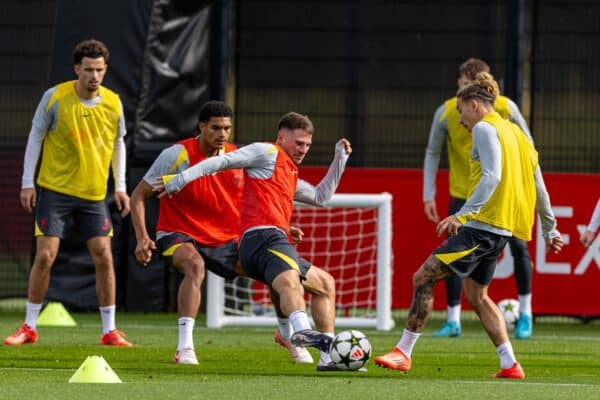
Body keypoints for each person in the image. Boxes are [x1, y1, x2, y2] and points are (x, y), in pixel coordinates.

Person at [375, 72, 563, 379]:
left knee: (423, 277)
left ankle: (403, 352)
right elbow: (538, 184)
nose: (460, 120)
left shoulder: (485, 129)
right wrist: (550, 227)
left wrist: (462, 215)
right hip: (501, 229)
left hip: (482, 227)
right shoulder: (517, 134)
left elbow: (492, 176)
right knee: (477, 296)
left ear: (474, 105)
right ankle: (509, 364)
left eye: (461, 111)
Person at [132, 104, 337, 368]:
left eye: (227, 128)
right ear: (202, 127)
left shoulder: (241, 157)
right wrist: (141, 237)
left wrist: (283, 227)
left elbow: (256, 201)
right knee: (195, 267)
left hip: (225, 239)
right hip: (177, 232)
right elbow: (139, 195)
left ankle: (287, 334)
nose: (222, 134)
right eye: (216, 128)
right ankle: (185, 347)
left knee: (275, 269)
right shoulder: (177, 154)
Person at [4, 39, 132, 347]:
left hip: (93, 196)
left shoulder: (113, 102)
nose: (94, 76)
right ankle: (29, 327)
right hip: (55, 192)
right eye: (88, 69)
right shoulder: (55, 97)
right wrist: (26, 182)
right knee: (46, 256)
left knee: (103, 256)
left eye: (99, 70)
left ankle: (109, 330)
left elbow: (118, 143)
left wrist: (120, 187)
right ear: (77, 69)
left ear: (105, 70)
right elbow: (35, 137)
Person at [423, 58, 537, 339]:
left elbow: (528, 150)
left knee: (519, 250)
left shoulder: (504, 110)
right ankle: (453, 319)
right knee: (454, 260)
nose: (463, 91)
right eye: (462, 84)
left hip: (502, 199)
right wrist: (429, 193)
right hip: (463, 194)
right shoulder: (448, 112)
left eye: (469, 86)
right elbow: (433, 152)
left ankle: (525, 313)